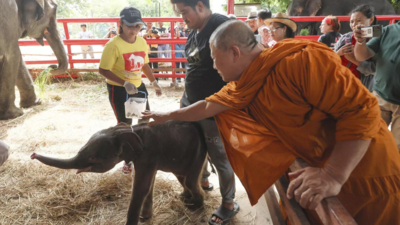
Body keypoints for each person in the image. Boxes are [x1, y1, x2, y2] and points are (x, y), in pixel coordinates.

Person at [142, 20, 400, 225]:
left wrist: (333, 173)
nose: (212, 65)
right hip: (319, 173)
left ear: (234, 52)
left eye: (213, 57)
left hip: (367, 172)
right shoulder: (244, 84)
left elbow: (361, 111)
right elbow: (208, 106)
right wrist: (165, 116)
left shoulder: (298, 62)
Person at [169, 1, 238, 224]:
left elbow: (238, 63)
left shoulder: (221, 26)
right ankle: (204, 181)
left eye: (184, 12)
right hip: (190, 104)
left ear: (200, 6)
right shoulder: (194, 32)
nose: (182, 18)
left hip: (211, 110)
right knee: (194, 146)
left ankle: (228, 203)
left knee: (219, 154)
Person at [99, 7, 162, 126]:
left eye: (137, 26)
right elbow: (103, 70)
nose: (133, 30)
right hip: (118, 88)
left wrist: (154, 82)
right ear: (121, 23)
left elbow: (144, 64)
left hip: (138, 86)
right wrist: (125, 83)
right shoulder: (113, 45)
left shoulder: (142, 42)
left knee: (144, 118)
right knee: (124, 124)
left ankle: (140, 142)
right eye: (129, 25)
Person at [354, 9, 400, 152]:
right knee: (367, 139)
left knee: (397, 148)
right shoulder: (387, 30)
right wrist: (360, 42)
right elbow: (361, 56)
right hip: (380, 96)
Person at [335, 5, 377, 92]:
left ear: (371, 20)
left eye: (358, 21)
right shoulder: (346, 37)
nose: (354, 25)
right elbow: (331, 58)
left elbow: (376, 69)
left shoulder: (376, 39)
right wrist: (338, 53)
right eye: (351, 21)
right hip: (341, 82)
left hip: (361, 87)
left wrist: (354, 60)